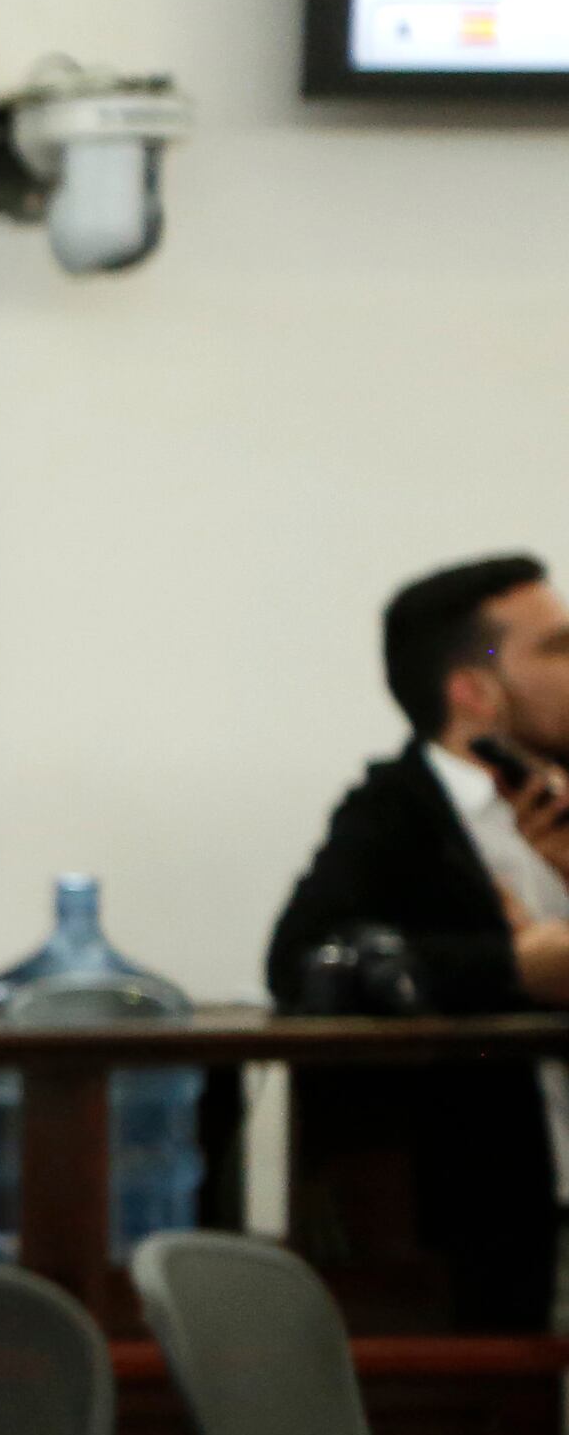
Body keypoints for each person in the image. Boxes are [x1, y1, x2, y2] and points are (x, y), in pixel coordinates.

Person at [268, 554, 569, 1330]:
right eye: (557, 648)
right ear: (474, 690)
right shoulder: (395, 814)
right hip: (498, 1217)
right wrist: (513, 968)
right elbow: (301, 962)